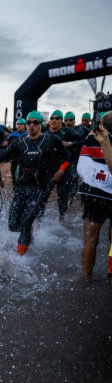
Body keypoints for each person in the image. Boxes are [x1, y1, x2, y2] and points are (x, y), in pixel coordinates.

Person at [0, 110, 69, 255]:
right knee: (12, 224)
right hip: (22, 187)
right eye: (29, 122)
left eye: (35, 122)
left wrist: (61, 170)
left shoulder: (51, 139)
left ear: (40, 124)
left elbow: (67, 156)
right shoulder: (19, 142)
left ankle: (21, 258)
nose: (31, 125)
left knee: (25, 222)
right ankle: (29, 236)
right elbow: (1, 157)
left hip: (40, 187)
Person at [77, 111, 112, 279]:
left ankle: (86, 277)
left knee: (90, 239)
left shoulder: (91, 139)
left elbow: (82, 167)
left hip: (94, 193)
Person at [47, 110, 84, 224]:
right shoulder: (45, 131)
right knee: (43, 194)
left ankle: (61, 217)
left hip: (65, 168)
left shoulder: (67, 131)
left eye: (57, 118)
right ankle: (38, 220)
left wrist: (71, 144)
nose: (54, 120)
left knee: (62, 195)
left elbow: (83, 140)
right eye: (52, 118)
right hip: (49, 169)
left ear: (61, 121)